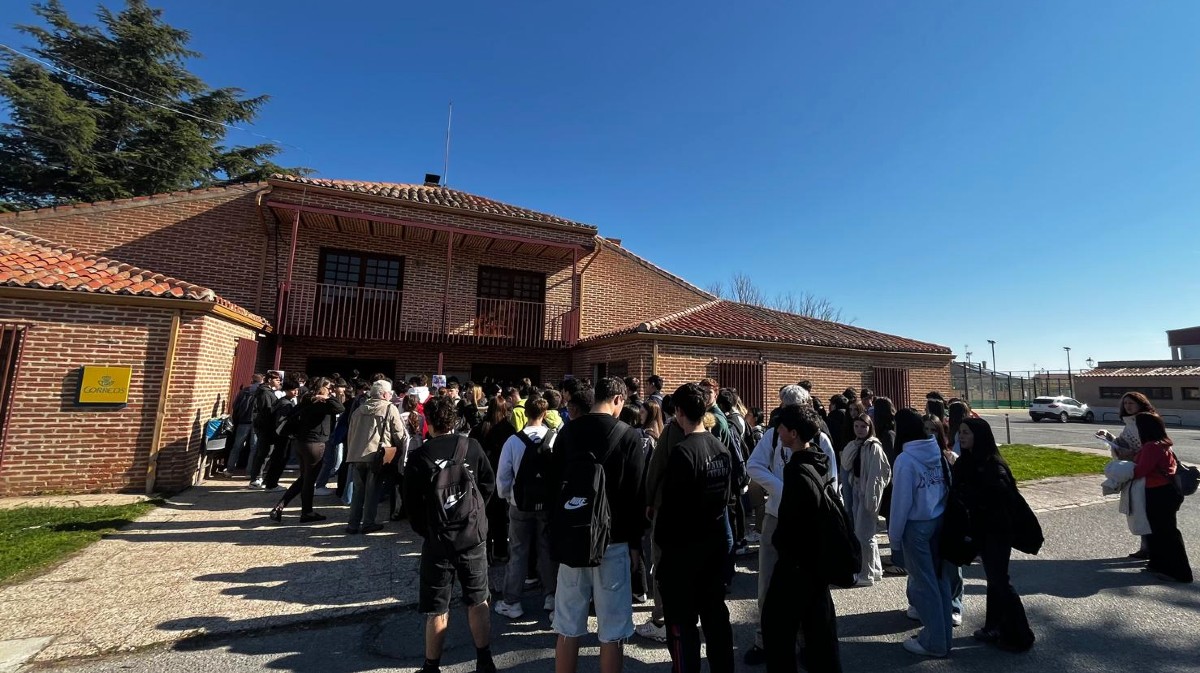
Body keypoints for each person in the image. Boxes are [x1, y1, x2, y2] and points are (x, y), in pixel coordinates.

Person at [552, 378, 646, 673]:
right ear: (618, 399)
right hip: (613, 540)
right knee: (612, 629)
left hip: (573, 537)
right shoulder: (628, 436)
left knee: (567, 625)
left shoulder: (568, 431)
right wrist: (635, 545)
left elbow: (554, 484)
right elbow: (636, 496)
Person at [743, 384, 839, 665]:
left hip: (809, 521)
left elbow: (832, 479)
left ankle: (806, 641)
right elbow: (754, 465)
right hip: (776, 516)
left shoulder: (820, 438)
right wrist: (783, 489)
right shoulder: (774, 435)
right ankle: (764, 639)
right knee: (767, 583)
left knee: (809, 585)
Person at [403, 396, 498, 673]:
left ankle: (431, 666)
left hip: (438, 539)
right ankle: (484, 660)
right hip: (472, 536)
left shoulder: (419, 457)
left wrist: (428, 530)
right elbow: (488, 484)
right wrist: (474, 516)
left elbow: (411, 505)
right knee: (478, 599)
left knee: (437, 607)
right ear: (455, 420)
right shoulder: (472, 447)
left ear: (429, 422)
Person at [655, 383, 734, 673]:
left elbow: (671, 509)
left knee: (681, 626)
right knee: (716, 621)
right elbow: (726, 500)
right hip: (714, 548)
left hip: (684, 554)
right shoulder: (720, 448)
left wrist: (663, 549)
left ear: (678, 412)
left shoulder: (683, 452)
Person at [764, 404, 843, 673]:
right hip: (814, 564)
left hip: (798, 564)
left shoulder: (798, 472)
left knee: (777, 627)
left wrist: (782, 544)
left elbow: (795, 522)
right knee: (819, 631)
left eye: (782, 427)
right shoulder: (817, 461)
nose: (778, 431)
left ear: (794, 433)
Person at [954, 418, 1037, 650]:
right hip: (981, 531)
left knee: (1000, 581)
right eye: (960, 432)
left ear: (979, 436)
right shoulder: (967, 461)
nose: (961, 436)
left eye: (967, 433)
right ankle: (994, 626)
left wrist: (974, 501)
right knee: (994, 580)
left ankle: (1021, 635)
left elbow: (1001, 502)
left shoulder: (993, 466)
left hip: (997, 532)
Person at [889, 408, 954, 657]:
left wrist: (895, 539)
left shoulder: (905, 460)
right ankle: (943, 636)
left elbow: (900, 504)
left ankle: (934, 642)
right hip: (939, 519)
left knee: (923, 586)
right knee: (939, 580)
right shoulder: (935, 451)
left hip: (916, 527)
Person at [494, 397, 559, 619]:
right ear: (545, 413)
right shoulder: (554, 438)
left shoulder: (513, 441)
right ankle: (551, 595)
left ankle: (512, 601)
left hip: (519, 503)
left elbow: (503, 476)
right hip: (548, 504)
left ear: (525, 413)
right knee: (547, 549)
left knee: (518, 551)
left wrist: (507, 496)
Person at [268, 377, 344, 523]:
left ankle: (281, 506)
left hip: (301, 442)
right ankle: (306, 512)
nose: (331, 391)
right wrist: (327, 398)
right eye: (329, 388)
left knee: (305, 477)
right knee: (309, 480)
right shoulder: (320, 403)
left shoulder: (306, 399)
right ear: (322, 388)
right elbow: (340, 408)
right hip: (314, 443)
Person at [1096, 392, 1158, 559]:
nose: (1128, 406)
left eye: (1131, 403)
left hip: (1146, 474)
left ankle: (1151, 549)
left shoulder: (1146, 422)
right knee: (1138, 512)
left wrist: (1133, 454)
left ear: (1141, 404)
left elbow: (1152, 448)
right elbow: (1123, 443)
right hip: (1135, 472)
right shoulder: (1130, 423)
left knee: (1145, 513)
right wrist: (1108, 437)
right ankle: (1146, 547)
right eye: (1125, 403)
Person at [1132, 412, 1193, 583]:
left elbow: (1141, 470)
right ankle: (1158, 564)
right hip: (1166, 491)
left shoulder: (1151, 446)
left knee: (1165, 533)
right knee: (1157, 531)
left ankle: (1180, 572)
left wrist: (1123, 469)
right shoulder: (1164, 443)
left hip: (1158, 492)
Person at [344, 379, 406, 534]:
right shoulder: (389, 408)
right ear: (384, 394)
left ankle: (353, 524)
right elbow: (398, 433)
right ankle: (368, 523)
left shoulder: (359, 410)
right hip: (377, 456)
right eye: (389, 393)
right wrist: (402, 449)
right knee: (372, 491)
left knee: (358, 491)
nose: (391, 395)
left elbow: (350, 434)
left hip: (357, 455)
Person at [842, 412, 891, 587]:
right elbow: (846, 464)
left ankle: (867, 573)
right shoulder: (856, 445)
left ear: (870, 428)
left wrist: (871, 498)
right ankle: (875, 569)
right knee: (864, 533)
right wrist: (853, 445)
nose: (860, 430)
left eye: (864, 426)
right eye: (856, 426)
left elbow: (878, 476)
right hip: (857, 489)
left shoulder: (874, 447)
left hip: (868, 493)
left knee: (865, 535)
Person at [473, 399, 515, 565]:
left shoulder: (479, 429)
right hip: (502, 475)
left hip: (482, 477)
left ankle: (485, 551)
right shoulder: (508, 430)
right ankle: (501, 551)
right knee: (501, 517)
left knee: (484, 515)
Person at [260, 380, 299, 491]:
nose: (296, 392)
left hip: (279, 435)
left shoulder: (283, 401)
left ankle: (269, 481)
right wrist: (289, 433)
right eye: (293, 390)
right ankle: (272, 484)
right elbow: (281, 422)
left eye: (297, 389)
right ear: (286, 390)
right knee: (280, 459)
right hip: (283, 436)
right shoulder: (285, 404)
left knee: (277, 459)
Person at [225, 374, 263, 475]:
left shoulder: (244, 391)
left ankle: (229, 469)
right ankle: (249, 472)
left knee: (237, 446)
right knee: (254, 448)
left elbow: (235, 406)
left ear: (252, 381)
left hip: (243, 421)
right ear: (261, 381)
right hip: (256, 422)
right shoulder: (262, 392)